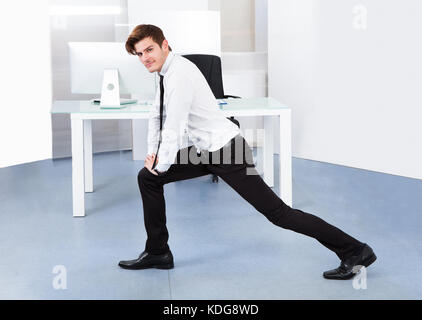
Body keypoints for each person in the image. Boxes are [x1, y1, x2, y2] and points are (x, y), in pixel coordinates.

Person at [118, 24, 377, 280]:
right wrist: (153, 155)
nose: (145, 58)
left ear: (165, 44)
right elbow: (156, 115)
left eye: (149, 49)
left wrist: (161, 164)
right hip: (206, 151)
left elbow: (173, 124)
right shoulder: (166, 72)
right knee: (148, 177)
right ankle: (158, 252)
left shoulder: (180, 75)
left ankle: (355, 250)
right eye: (139, 54)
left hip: (229, 153)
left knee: (279, 215)